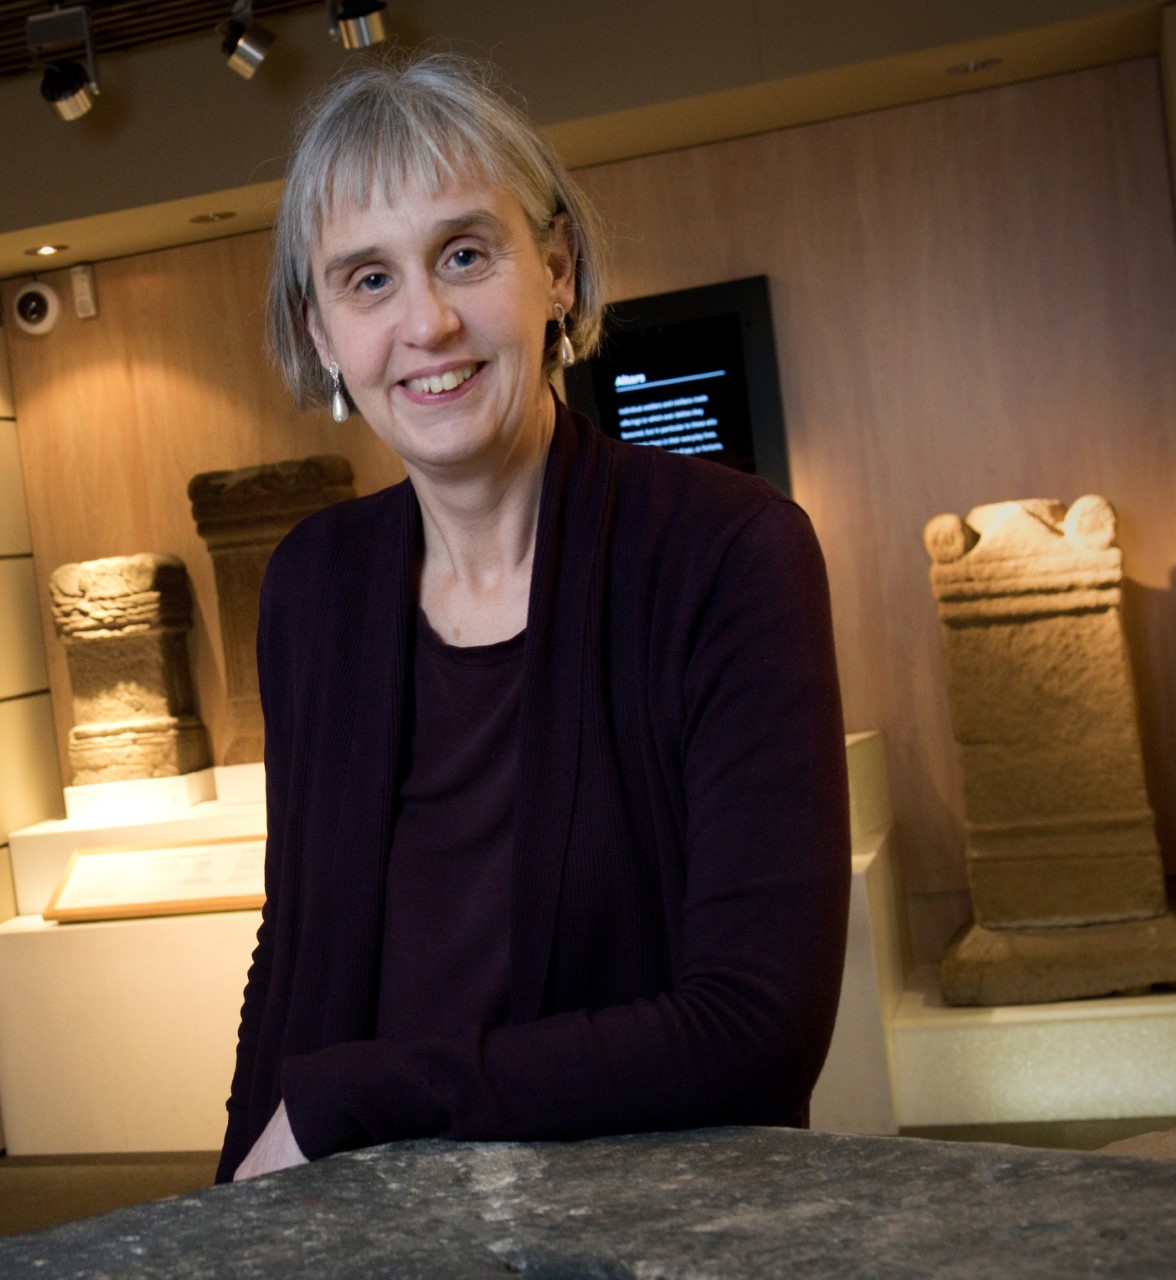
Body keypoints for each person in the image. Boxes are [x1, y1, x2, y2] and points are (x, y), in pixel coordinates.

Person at [217, 52, 851, 1184]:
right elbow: (294, 944)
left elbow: (758, 1031)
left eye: (465, 253)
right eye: (368, 280)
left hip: (636, 1227)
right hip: (359, 1230)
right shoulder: (312, 583)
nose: (428, 321)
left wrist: (349, 1099)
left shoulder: (729, 555)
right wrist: (229, 1216)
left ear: (554, 269)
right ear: (321, 334)